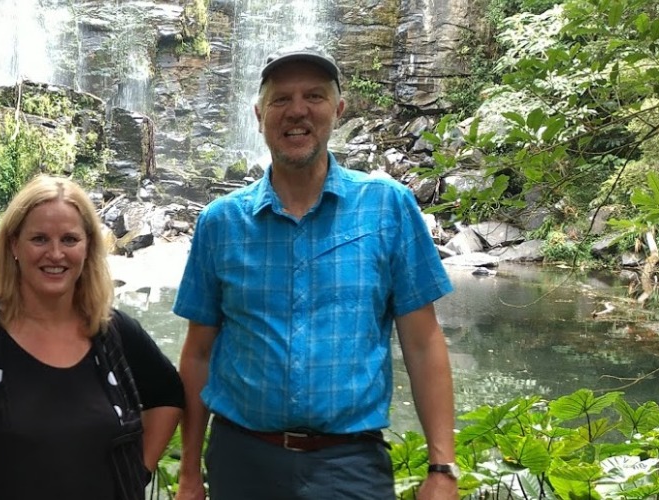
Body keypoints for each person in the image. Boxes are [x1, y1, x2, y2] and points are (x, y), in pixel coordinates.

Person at [171, 44, 458, 499]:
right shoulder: (220, 223)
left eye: (314, 96)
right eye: (281, 99)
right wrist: (189, 472)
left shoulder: (388, 208)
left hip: (350, 467)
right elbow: (199, 354)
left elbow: (422, 343)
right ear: (258, 113)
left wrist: (442, 467)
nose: (297, 111)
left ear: (338, 109)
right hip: (241, 461)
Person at [0, 175, 184, 500]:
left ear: (89, 246)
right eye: (39, 239)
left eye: (69, 239)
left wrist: (136, 473)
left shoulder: (114, 335)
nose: (55, 253)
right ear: (13, 244)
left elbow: (168, 394)